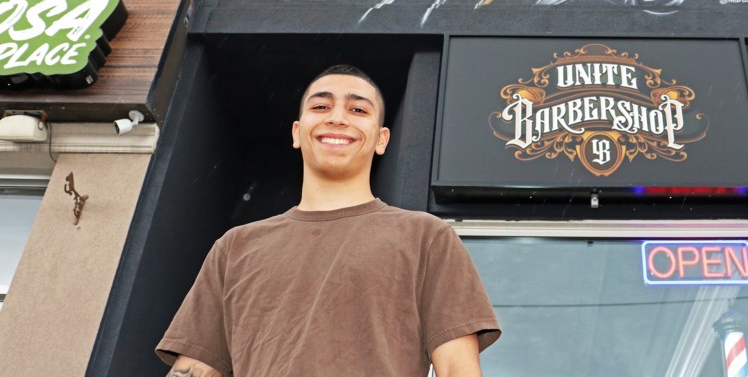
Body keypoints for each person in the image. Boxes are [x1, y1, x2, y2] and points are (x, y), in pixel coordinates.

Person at [156, 64, 501, 376]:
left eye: (358, 109)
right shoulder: (236, 247)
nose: (337, 118)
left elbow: (458, 367)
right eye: (321, 106)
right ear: (296, 132)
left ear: (382, 139)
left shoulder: (425, 236)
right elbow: (195, 367)